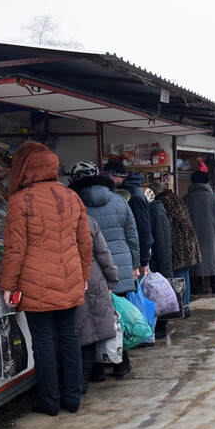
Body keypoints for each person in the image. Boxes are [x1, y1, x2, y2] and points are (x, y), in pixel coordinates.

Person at [0, 142, 92, 415]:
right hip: (69, 277)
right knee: (68, 338)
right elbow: (84, 243)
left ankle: (49, 401)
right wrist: (84, 275)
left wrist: (8, 285)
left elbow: (14, 248)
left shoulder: (19, 201)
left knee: (42, 341)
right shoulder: (72, 197)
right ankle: (73, 398)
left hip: (34, 283)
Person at [69, 160, 140, 379]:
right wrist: (136, 264)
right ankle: (121, 364)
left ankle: (97, 370)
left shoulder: (76, 204)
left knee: (91, 319)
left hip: (90, 269)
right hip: (118, 265)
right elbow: (132, 235)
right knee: (116, 317)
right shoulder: (119, 200)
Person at [76, 215, 119, 394]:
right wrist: (112, 277)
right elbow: (103, 252)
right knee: (90, 332)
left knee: (72, 331)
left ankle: (77, 379)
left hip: (67, 279)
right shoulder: (86, 220)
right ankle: (84, 377)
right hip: (92, 278)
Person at [149, 182, 200, 318]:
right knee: (185, 275)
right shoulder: (176, 199)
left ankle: (179, 308)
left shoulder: (163, 203)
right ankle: (185, 306)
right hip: (188, 242)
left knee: (177, 275)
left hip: (176, 244)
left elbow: (166, 226)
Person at [104, 159, 152, 277]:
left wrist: (143, 261)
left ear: (115, 177)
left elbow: (143, 229)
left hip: (137, 256)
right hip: (135, 254)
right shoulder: (131, 190)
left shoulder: (133, 196)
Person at [184, 170, 215, 296]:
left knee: (195, 264)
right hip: (210, 236)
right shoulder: (213, 198)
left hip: (192, 236)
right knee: (213, 262)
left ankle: (196, 289)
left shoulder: (186, 198)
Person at [145, 184, 174, 338]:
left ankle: (161, 326)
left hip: (157, 263)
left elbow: (162, 242)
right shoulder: (155, 210)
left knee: (159, 295)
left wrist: (166, 270)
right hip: (155, 261)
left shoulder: (156, 211)